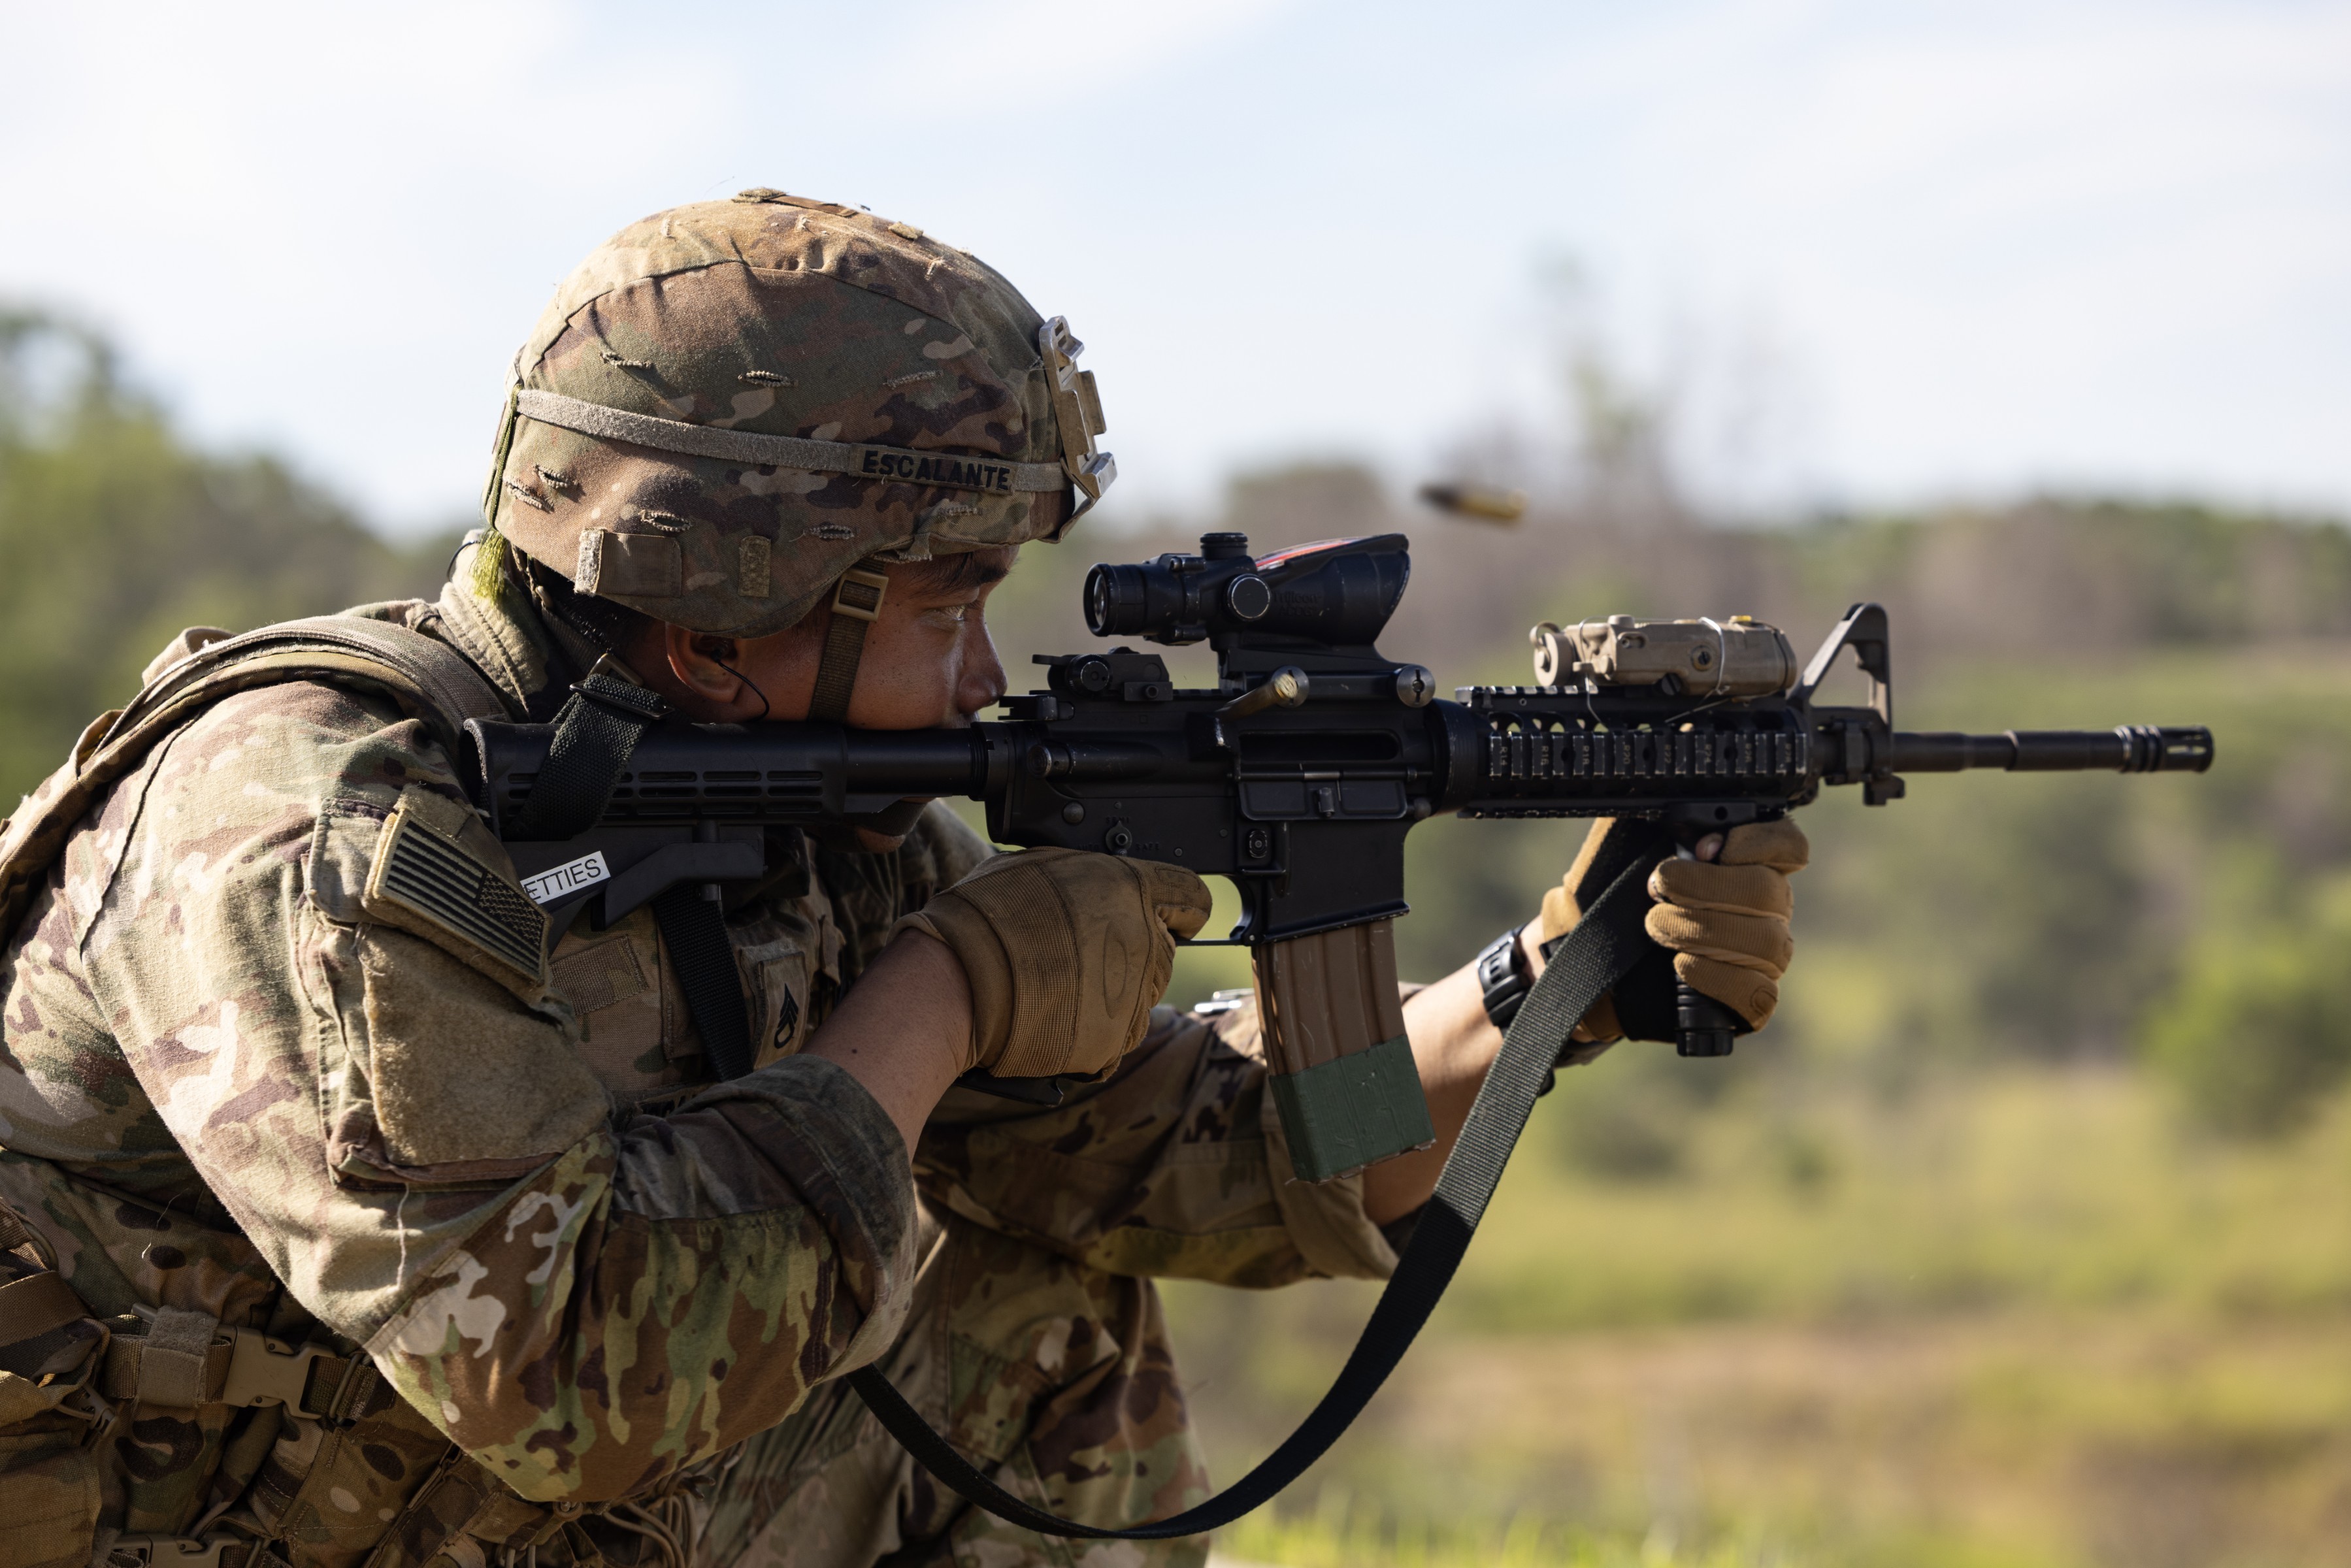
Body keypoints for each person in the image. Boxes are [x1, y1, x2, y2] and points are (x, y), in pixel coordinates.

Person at [0, 190, 1806, 1568]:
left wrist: (1551, 985)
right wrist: (948, 996)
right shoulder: (309, 822)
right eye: (943, 605)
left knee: (1041, 1297)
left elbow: (1204, 1157)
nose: (979, 673)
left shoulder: (795, 805)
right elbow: (573, 1380)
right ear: (723, 612)